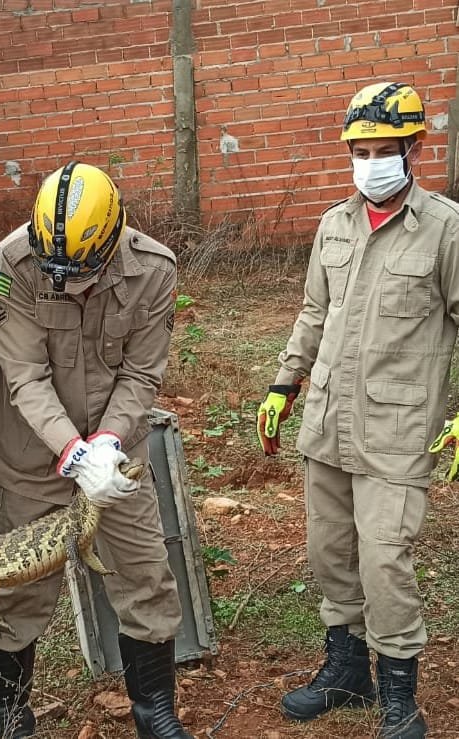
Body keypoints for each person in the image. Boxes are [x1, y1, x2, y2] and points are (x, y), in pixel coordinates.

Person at [257, 82, 459, 739]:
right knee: (330, 553)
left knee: (384, 561)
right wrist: (283, 385)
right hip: (326, 423)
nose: (371, 163)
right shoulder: (334, 224)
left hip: (397, 431)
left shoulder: (446, 228)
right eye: (360, 151)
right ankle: (346, 671)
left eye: (384, 151)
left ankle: (399, 694)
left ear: (413, 149)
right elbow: (314, 313)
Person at [0, 161, 192, 739]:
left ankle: (154, 714)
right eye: (57, 272)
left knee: (145, 578)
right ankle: (11, 720)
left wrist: (106, 443)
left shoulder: (154, 269)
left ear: (113, 237)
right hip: (30, 456)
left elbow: (142, 373)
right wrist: (73, 453)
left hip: (117, 461)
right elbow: (24, 374)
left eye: (83, 271)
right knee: (16, 588)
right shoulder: (14, 262)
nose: (68, 283)